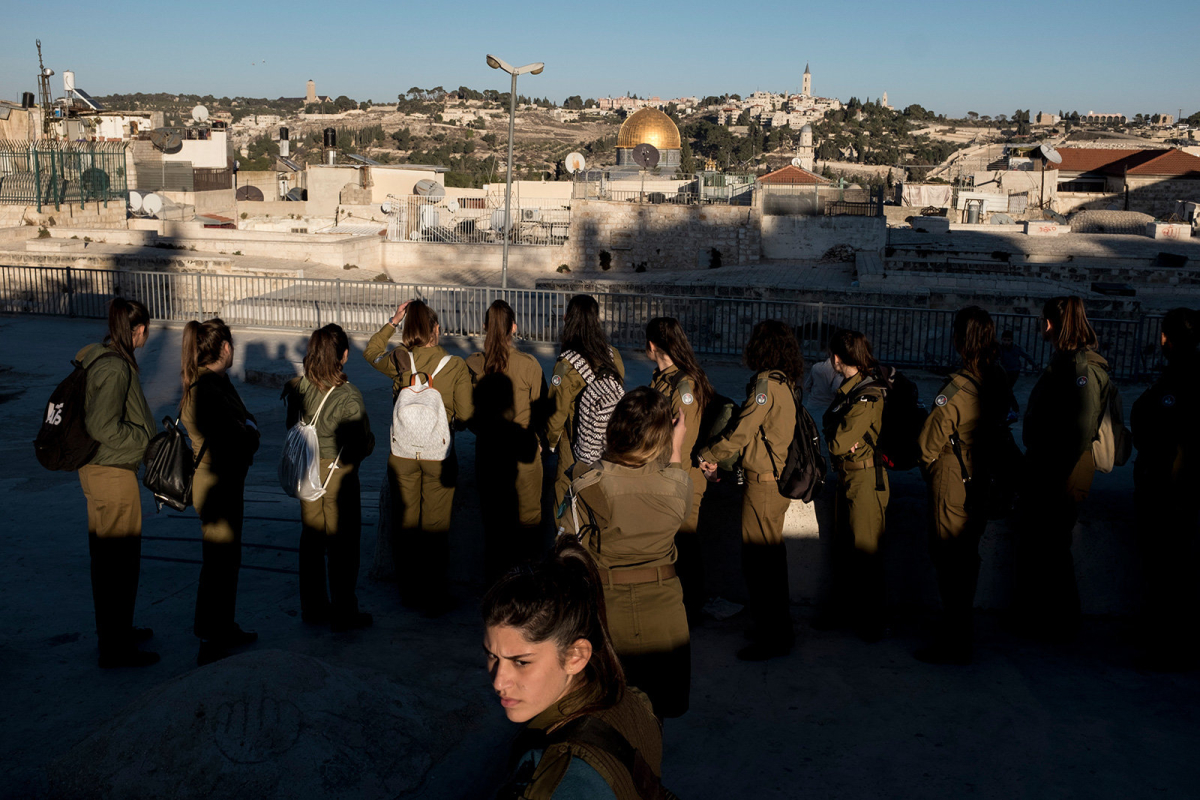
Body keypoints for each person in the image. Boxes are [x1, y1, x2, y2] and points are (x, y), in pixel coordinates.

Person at [485, 537, 668, 799]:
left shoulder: (560, 781)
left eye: (521, 662)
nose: (498, 681)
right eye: (492, 656)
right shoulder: (632, 700)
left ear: (575, 656)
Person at [564, 387, 692, 718]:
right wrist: (676, 445)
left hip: (608, 612)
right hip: (665, 615)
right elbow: (674, 467)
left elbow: (566, 551)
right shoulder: (678, 488)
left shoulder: (586, 485)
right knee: (656, 715)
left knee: (607, 713)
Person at [698, 320, 803, 661]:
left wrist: (708, 454)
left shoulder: (766, 384)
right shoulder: (785, 383)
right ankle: (774, 628)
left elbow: (742, 431)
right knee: (770, 561)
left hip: (764, 485)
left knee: (761, 564)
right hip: (776, 483)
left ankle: (773, 637)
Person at [915, 307, 1012, 664]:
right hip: (984, 475)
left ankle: (955, 641)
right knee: (967, 558)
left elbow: (927, 445)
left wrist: (934, 469)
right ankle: (961, 633)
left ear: (961, 340)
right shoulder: (997, 376)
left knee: (949, 560)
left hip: (955, 478)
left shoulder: (958, 388)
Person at [364, 299, 473, 615]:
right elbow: (465, 415)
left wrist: (392, 321)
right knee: (435, 526)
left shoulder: (400, 360)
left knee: (406, 523)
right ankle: (433, 594)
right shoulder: (454, 366)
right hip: (438, 456)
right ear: (435, 330)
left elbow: (371, 353)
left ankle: (408, 591)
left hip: (402, 455)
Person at [1018, 296, 1111, 641]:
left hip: (1058, 472)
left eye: (1046, 321)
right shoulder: (1066, 362)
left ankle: (1061, 624)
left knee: (1053, 548)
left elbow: (1081, 428)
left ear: (1057, 325)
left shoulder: (1079, 369)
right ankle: (1047, 620)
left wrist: (1056, 476)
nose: (1042, 327)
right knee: (1045, 547)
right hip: (1049, 467)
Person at [77, 298, 158, 668]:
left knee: (108, 561)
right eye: (146, 330)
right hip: (112, 473)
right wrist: (143, 442)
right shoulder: (116, 368)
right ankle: (116, 646)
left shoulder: (98, 356)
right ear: (138, 330)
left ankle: (115, 631)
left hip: (99, 471)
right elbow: (102, 425)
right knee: (119, 563)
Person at [282, 323, 375, 632]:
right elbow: (359, 447)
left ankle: (313, 606)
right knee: (343, 544)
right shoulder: (349, 395)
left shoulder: (299, 386)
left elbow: (290, 426)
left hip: (307, 471)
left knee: (311, 540)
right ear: (344, 356)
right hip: (337, 475)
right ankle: (344, 609)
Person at [181, 318, 260, 666]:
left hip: (224, 483)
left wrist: (247, 428)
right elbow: (239, 435)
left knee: (225, 561)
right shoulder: (209, 389)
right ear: (225, 348)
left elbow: (244, 421)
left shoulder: (213, 382)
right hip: (217, 486)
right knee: (218, 564)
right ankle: (210, 638)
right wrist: (250, 433)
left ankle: (222, 627)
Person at [1131, 307, 1200, 669]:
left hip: (1169, 491)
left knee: (1166, 570)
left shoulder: (1180, 379)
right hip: (1176, 490)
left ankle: (1165, 646)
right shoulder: (1183, 374)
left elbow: (1158, 428)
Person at [466, 300, 549, 583]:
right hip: (522, 455)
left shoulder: (474, 365)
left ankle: (495, 590)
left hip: (489, 454)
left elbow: (468, 416)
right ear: (514, 327)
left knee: (494, 527)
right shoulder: (529, 365)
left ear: (485, 328)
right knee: (528, 526)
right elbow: (542, 410)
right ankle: (527, 591)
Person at [821, 329, 890, 642]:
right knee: (845, 550)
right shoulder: (852, 390)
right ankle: (846, 612)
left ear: (837, 359)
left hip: (865, 480)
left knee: (866, 553)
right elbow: (835, 431)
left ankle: (873, 621)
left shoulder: (867, 393)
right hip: (850, 476)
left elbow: (836, 442)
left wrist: (840, 435)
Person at [646, 316, 715, 623]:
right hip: (666, 476)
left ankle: (691, 609)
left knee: (684, 546)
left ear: (651, 346)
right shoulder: (664, 378)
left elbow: (683, 436)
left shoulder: (682, 383)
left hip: (680, 477)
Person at [544, 295, 625, 514]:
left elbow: (556, 413)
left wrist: (550, 441)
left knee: (566, 498)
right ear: (596, 321)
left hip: (574, 442)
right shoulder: (613, 355)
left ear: (566, 319)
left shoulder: (566, 364)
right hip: (609, 442)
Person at [998, 330, 1037, 411]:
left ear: (1012, 340)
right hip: (1005, 370)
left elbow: (1026, 356)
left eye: (1008, 340)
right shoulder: (1000, 348)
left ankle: (1013, 407)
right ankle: (1012, 406)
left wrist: (1035, 365)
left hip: (1014, 371)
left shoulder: (1016, 348)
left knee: (1007, 389)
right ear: (1002, 340)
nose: (1006, 342)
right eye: (1004, 340)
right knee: (1007, 389)